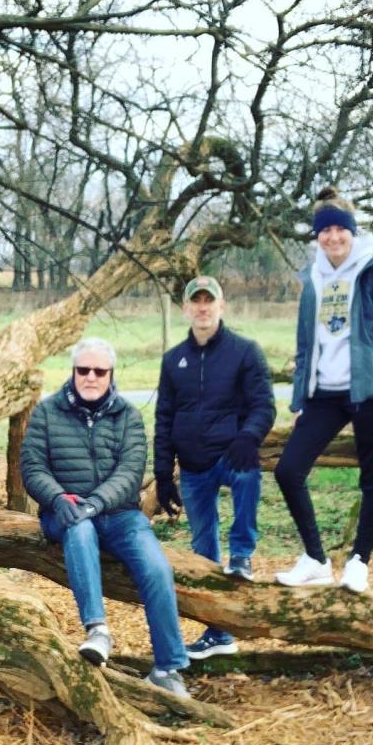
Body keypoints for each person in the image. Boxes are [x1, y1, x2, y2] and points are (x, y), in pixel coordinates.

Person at [20, 337, 190, 697]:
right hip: (64, 512)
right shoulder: (47, 412)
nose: (91, 377)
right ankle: (98, 631)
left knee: (157, 568)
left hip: (119, 514)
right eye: (83, 369)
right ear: (73, 371)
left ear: (111, 374)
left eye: (100, 371)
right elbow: (33, 468)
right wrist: (57, 498)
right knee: (79, 528)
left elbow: (130, 472)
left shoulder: (128, 416)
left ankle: (168, 668)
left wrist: (96, 502)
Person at [274, 187, 373, 592]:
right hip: (325, 395)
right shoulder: (313, 278)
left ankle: (359, 562)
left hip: (369, 392)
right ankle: (316, 559)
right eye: (325, 230)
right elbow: (306, 345)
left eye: (340, 229)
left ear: (352, 231)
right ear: (317, 235)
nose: (333, 237)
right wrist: (299, 400)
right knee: (288, 470)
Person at [154, 276, 275, 659]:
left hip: (232, 454)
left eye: (210, 300)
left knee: (248, 473)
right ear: (186, 308)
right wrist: (162, 473)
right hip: (193, 465)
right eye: (197, 301)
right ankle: (218, 633)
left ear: (221, 306)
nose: (203, 307)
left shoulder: (245, 352)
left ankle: (242, 554)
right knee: (203, 551)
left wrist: (248, 437)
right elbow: (164, 417)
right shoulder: (173, 360)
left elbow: (264, 405)